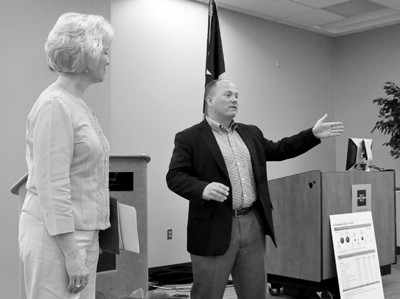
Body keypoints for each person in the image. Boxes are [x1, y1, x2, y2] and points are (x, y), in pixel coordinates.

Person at [166, 79, 344, 299]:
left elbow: (279, 149)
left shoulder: (251, 133)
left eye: (237, 96)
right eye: (228, 95)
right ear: (210, 101)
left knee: (255, 292)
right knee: (207, 293)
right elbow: (174, 176)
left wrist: (312, 134)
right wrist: (203, 188)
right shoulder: (190, 137)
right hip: (213, 225)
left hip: (252, 222)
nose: (235, 99)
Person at [19, 12, 114, 299]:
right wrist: (72, 253)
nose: (109, 60)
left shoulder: (77, 104)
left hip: (84, 233)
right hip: (57, 238)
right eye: (105, 52)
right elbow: (53, 186)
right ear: (87, 55)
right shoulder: (54, 105)